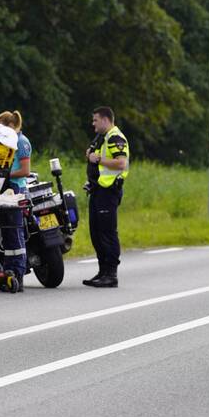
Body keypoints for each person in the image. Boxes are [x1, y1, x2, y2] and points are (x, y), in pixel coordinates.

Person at [83, 106, 129, 288]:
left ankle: (111, 274)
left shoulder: (115, 137)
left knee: (107, 232)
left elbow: (121, 163)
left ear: (105, 119)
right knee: (96, 233)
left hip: (108, 192)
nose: (93, 123)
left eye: (95, 120)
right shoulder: (102, 137)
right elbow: (93, 156)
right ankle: (102, 271)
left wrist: (98, 159)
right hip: (97, 190)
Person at [0, 110, 31, 293]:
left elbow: (25, 170)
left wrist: (4, 174)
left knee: (15, 232)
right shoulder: (9, 141)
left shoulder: (21, 142)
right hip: (6, 188)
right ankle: (7, 274)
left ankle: (18, 274)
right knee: (6, 234)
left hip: (16, 188)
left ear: (10, 126)